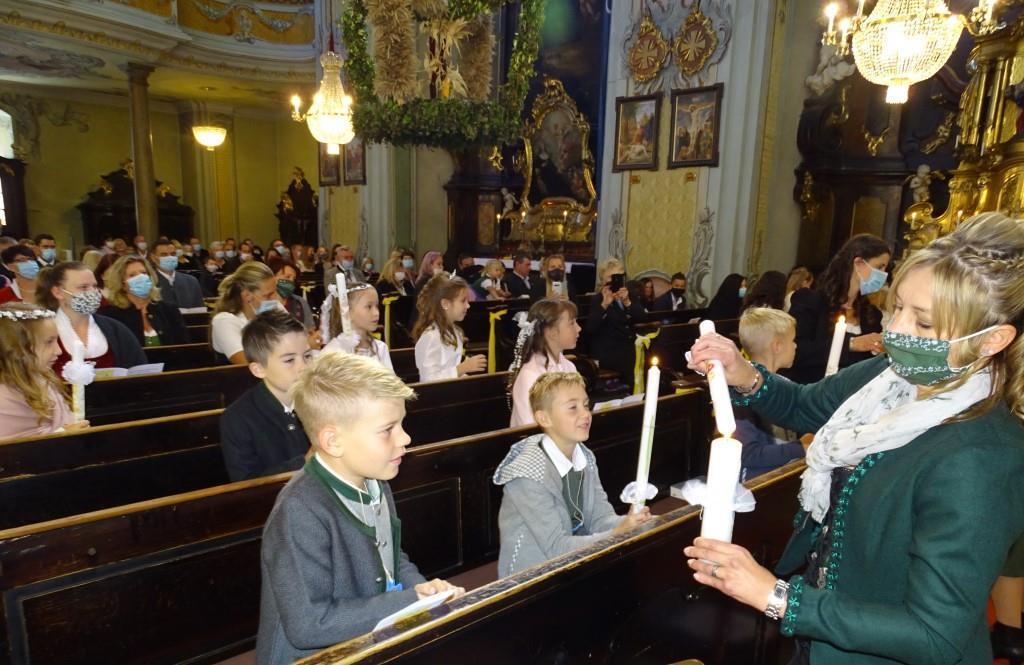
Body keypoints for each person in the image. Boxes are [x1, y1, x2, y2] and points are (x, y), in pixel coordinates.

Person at [683, 212, 1024, 665]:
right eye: (897, 307)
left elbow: (934, 635)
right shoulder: (891, 374)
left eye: (923, 323)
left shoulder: (981, 454)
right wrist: (742, 372)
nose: (896, 330)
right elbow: (805, 405)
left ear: (992, 340)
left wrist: (777, 596)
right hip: (822, 637)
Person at [256, 352, 465, 664]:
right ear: (333, 441)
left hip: (367, 640)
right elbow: (309, 624)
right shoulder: (299, 511)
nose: (405, 438)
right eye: (387, 429)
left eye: (402, 424)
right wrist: (407, 602)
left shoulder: (374, 480)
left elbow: (391, 558)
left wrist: (422, 590)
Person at [493, 372, 651, 576]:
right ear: (544, 418)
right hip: (530, 576)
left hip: (573, 563)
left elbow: (599, 519)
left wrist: (629, 522)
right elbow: (556, 548)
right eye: (572, 407)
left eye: (586, 405)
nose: (586, 414)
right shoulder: (528, 474)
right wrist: (617, 532)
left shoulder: (585, 457)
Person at [220, 310, 312, 482]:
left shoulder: (322, 400)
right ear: (259, 369)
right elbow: (246, 483)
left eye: (307, 356)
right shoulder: (237, 419)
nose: (304, 367)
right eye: (289, 360)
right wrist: (305, 462)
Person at [786, 234, 889, 384]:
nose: (884, 275)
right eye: (880, 267)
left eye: (885, 268)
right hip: (810, 386)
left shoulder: (872, 314)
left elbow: (868, 365)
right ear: (858, 263)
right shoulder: (809, 301)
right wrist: (852, 343)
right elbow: (798, 350)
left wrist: (878, 350)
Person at [36, 261, 147, 376]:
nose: (92, 292)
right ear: (58, 292)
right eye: (83, 287)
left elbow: (140, 372)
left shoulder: (116, 330)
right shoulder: (41, 333)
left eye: (94, 286)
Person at [734, 307, 806, 478]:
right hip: (758, 483)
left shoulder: (784, 383)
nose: (796, 345)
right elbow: (748, 454)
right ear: (777, 346)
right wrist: (801, 447)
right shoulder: (742, 393)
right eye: (793, 340)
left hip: (786, 472)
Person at [0, 303, 87, 440]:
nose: (58, 351)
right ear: (18, 348)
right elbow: (15, 448)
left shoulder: (42, 378)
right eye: (49, 342)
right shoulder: (4, 398)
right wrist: (64, 434)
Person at [508, 299, 581, 427]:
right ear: (552, 332)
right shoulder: (531, 375)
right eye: (572, 323)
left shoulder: (569, 366)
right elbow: (531, 428)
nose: (579, 328)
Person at [98, 256, 190, 348]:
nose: (140, 277)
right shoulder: (110, 315)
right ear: (122, 284)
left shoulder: (169, 309)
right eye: (132, 275)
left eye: (144, 273)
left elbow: (184, 345)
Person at [413, 273, 486, 381]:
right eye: (463, 301)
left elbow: (451, 369)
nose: (468, 305)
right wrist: (462, 368)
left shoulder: (456, 331)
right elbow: (429, 379)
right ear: (445, 304)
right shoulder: (431, 337)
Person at [585, 258, 645, 391]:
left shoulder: (629, 295)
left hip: (628, 349)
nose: (615, 281)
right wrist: (604, 305)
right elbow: (590, 328)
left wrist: (627, 302)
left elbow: (642, 318)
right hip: (608, 352)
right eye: (611, 277)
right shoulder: (598, 299)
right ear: (603, 280)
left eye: (619, 276)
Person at [211, 262, 278, 365]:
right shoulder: (224, 321)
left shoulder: (274, 307)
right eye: (268, 295)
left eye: (275, 292)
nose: (275, 298)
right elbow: (247, 363)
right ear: (247, 295)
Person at [323, 283, 393, 370]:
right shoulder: (333, 352)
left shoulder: (380, 348)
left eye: (377, 306)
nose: (376, 313)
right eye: (369, 307)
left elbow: (389, 378)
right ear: (347, 312)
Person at [150, 239, 205, 310]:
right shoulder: (149, 283)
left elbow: (200, 311)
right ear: (153, 257)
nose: (169, 257)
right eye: (164, 255)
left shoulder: (191, 281)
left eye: (173, 254)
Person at [267, 258, 314, 330]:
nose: (291, 281)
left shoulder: (300, 302)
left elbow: (310, 330)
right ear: (272, 277)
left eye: (293, 279)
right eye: (287, 277)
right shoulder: (261, 304)